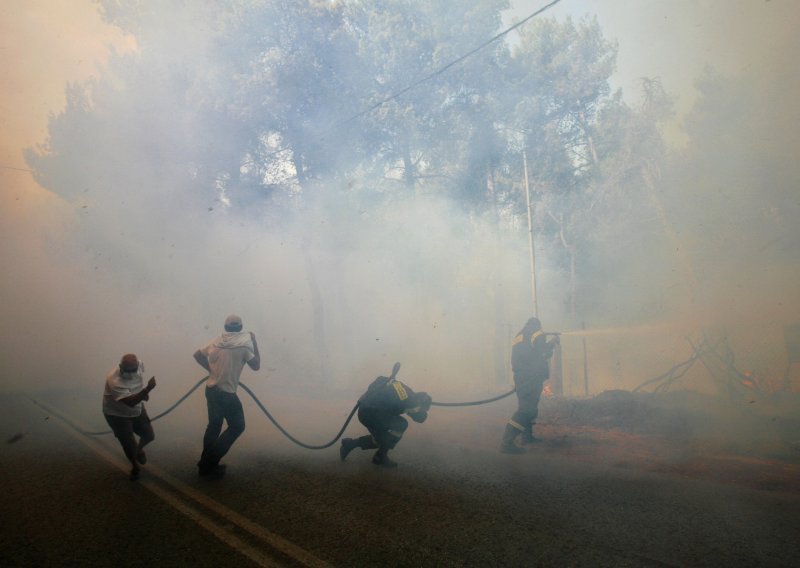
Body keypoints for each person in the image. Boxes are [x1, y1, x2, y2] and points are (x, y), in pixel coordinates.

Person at [193, 314, 260, 478]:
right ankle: (208, 462)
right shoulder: (244, 345)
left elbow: (197, 354)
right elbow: (256, 365)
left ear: (226, 328)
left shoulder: (217, 341)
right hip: (226, 394)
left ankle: (206, 465)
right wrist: (254, 341)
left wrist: (211, 370)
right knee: (237, 426)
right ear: (240, 328)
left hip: (211, 389)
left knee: (214, 426)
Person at [339, 364, 432, 468]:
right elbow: (420, 418)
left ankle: (350, 444)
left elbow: (379, 380)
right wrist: (422, 410)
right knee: (401, 425)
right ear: (420, 402)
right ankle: (380, 456)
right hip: (373, 415)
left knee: (380, 440)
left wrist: (370, 395)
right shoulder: (412, 401)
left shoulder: (397, 386)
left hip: (364, 412)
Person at [500, 317, 559, 454]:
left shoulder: (519, 335)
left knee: (527, 407)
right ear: (538, 325)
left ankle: (527, 437)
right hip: (530, 378)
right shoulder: (536, 334)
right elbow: (543, 352)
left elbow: (531, 354)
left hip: (521, 377)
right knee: (527, 410)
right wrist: (553, 342)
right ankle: (506, 443)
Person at [102, 353, 157, 480]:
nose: (130, 373)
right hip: (117, 414)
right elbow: (130, 402)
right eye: (126, 370)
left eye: (133, 370)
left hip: (137, 409)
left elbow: (136, 388)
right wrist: (148, 389)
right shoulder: (114, 380)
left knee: (149, 435)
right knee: (128, 443)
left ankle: (139, 450)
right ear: (121, 366)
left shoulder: (139, 365)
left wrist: (142, 393)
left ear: (137, 365)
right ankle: (135, 465)